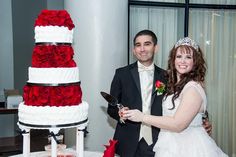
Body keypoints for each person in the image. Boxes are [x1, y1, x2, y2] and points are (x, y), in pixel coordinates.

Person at [123, 37, 228, 157]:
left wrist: (142, 117)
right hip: (167, 142)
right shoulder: (169, 81)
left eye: (188, 57)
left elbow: (178, 124)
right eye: (179, 56)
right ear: (173, 59)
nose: (182, 61)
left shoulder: (193, 88)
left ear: (195, 62)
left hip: (188, 146)